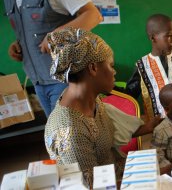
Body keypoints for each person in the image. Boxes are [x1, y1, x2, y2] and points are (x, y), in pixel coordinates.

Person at [44, 28, 161, 188]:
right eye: (111, 66)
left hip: (115, 173)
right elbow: (93, 186)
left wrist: (151, 125)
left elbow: (108, 130)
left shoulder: (92, 101)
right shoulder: (71, 131)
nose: (115, 72)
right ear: (93, 68)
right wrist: (150, 179)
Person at [4, 0, 103, 116]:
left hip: (67, 78)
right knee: (55, 133)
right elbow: (35, 28)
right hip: (39, 81)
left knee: (70, 131)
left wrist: (57, 35)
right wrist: (20, 44)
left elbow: (94, 15)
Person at [125, 14, 172, 121]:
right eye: (168, 35)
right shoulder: (142, 65)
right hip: (158, 125)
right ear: (153, 37)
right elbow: (130, 94)